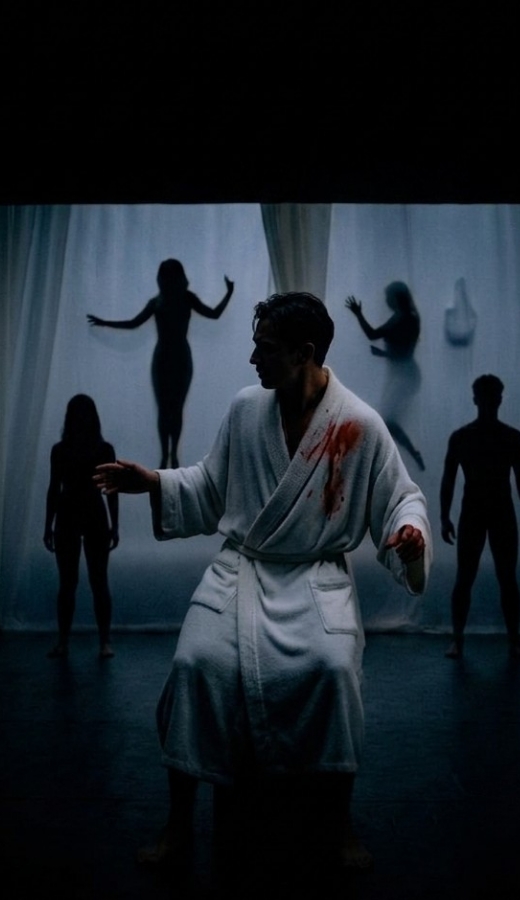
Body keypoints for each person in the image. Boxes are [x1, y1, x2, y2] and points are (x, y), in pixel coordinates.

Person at [94, 292, 431, 869]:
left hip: (315, 576)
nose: (253, 358)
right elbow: (210, 485)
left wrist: (409, 531)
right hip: (241, 570)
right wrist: (153, 481)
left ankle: (339, 824)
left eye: (266, 348)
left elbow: (402, 497)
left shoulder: (359, 425)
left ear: (305, 352)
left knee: (332, 671)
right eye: (255, 345)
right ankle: (178, 824)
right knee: (193, 663)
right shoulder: (246, 410)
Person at [87, 259, 234, 469]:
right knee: (167, 409)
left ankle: (171, 454)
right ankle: (167, 455)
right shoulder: (164, 301)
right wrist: (104, 322)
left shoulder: (176, 299)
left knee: (173, 408)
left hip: (177, 358)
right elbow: (133, 323)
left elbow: (214, 314)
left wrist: (229, 293)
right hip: (167, 359)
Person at [439, 374, 520, 660]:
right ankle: (466, 640)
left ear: (478, 399)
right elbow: (448, 480)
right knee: (477, 578)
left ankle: (495, 640)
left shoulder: (484, 437)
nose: (491, 401)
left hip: (489, 512)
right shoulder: (477, 437)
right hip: (486, 512)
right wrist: (444, 516)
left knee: (499, 578)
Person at [44, 394, 119, 658]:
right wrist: (115, 525)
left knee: (79, 582)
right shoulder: (101, 449)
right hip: (87, 514)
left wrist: (48, 526)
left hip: (73, 514)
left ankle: (71, 642)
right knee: (87, 581)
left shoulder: (64, 450)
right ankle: (98, 642)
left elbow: (55, 489)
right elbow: (55, 488)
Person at [345, 282, 425, 470]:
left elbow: (375, 336)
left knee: (386, 420)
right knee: (386, 421)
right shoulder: (405, 317)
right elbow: (402, 350)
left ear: (396, 298)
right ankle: (403, 456)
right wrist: (384, 354)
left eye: (388, 297)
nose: (386, 301)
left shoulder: (406, 318)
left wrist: (358, 314)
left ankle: (402, 456)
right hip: (402, 376)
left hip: (405, 377)